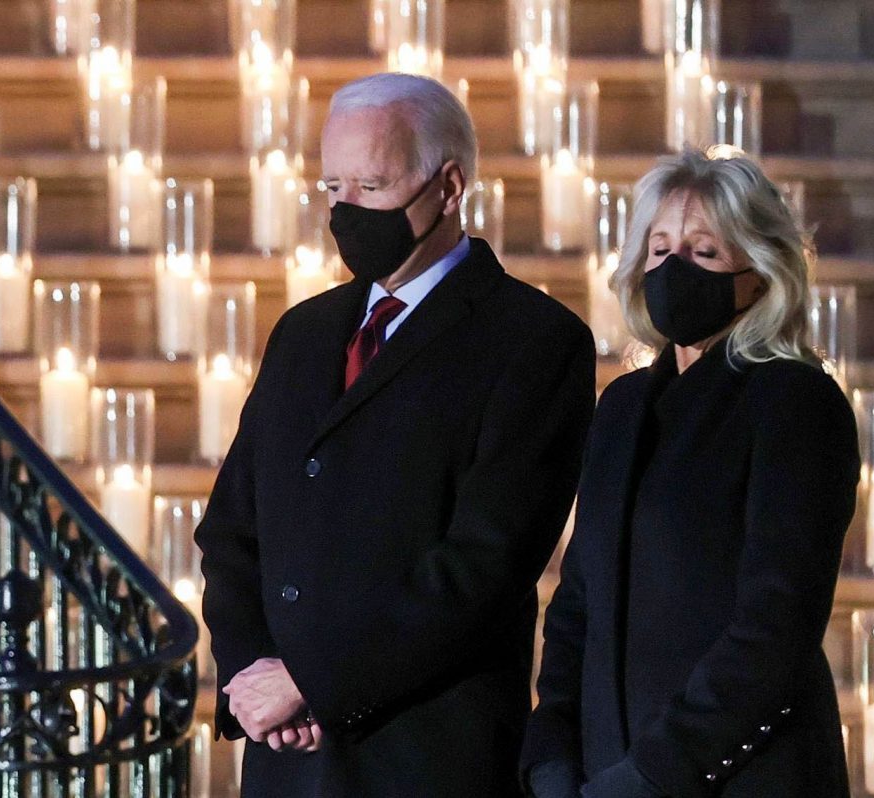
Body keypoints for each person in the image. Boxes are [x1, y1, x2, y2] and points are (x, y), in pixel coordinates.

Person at [195, 72, 596, 797]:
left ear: (448, 188)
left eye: (372, 188)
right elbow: (232, 531)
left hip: (425, 758)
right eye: (333, 188)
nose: (347, 212)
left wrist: (315, 681)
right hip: (288, 760)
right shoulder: (304, 333)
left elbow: (484, 565)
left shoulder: (534, 342)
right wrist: (252, 672)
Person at [522, 148, 860, 798]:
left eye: (704, 252)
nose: (675, 267)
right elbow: (577, 604)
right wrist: (551, 757)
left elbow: (776, 625)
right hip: (601, 770)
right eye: (660, 248)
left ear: (760, 273)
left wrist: (651, 775)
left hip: (732, 776)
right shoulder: (620, 408)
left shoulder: (794, 402)